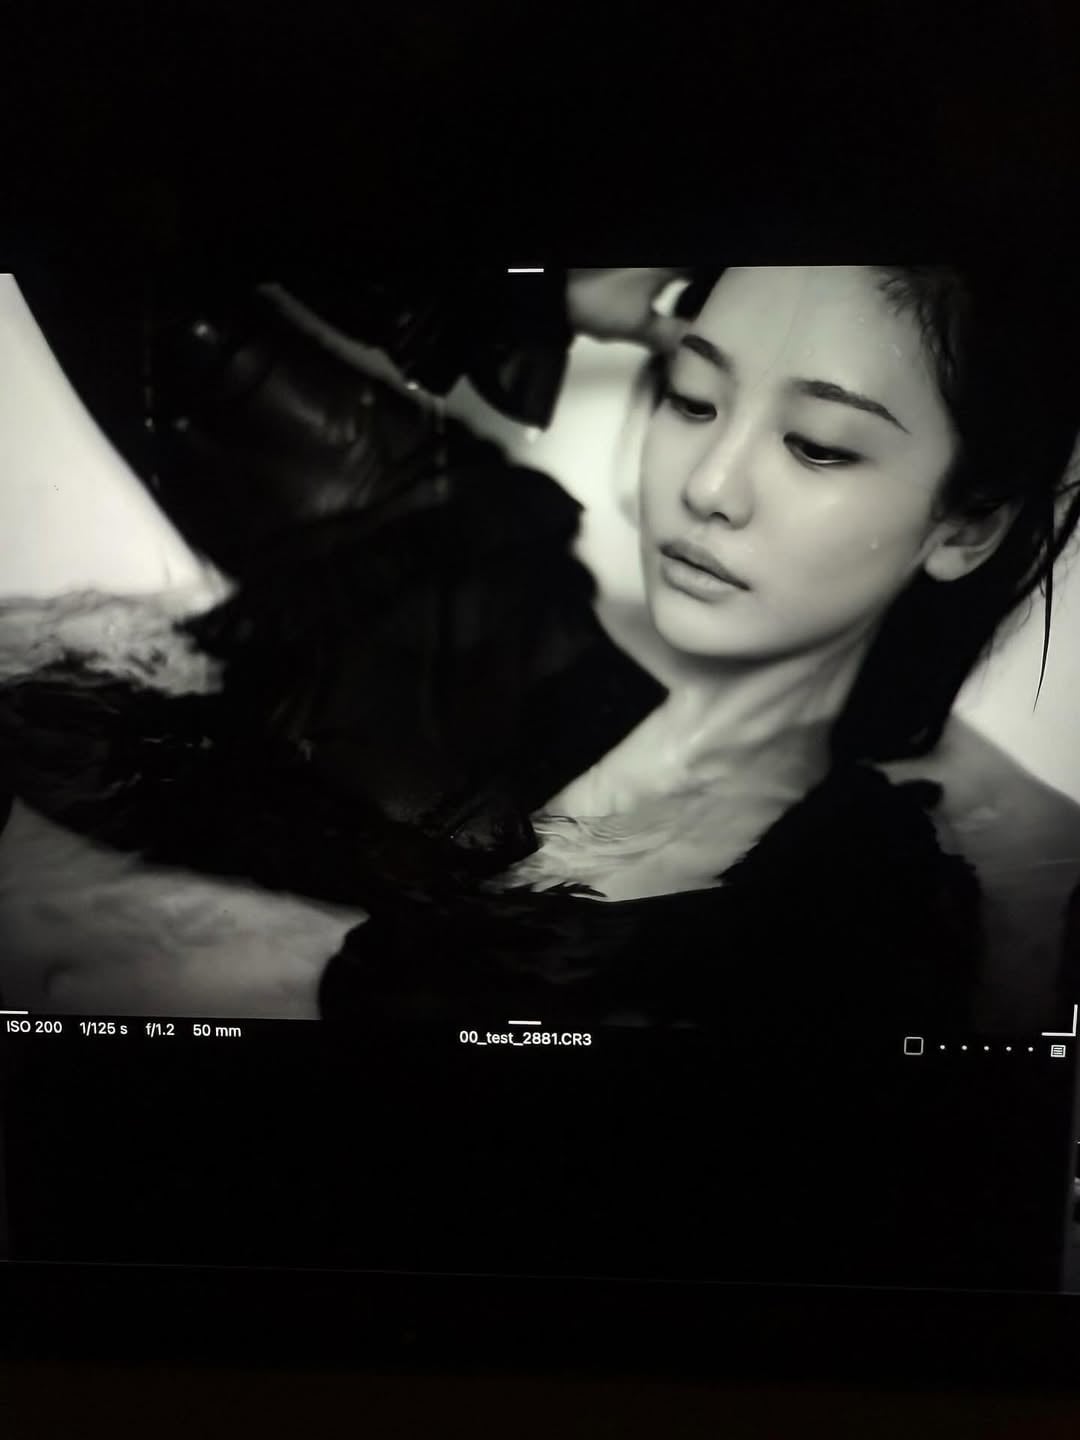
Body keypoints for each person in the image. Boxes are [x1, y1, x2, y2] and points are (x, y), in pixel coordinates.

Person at [3, 261, 1080, 1291]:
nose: (707, 486)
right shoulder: (450, 557)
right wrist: (519, 298)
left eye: (816, 446)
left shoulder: (865, 910)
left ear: (968, 524)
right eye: (694, 398)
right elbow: (107, 256)